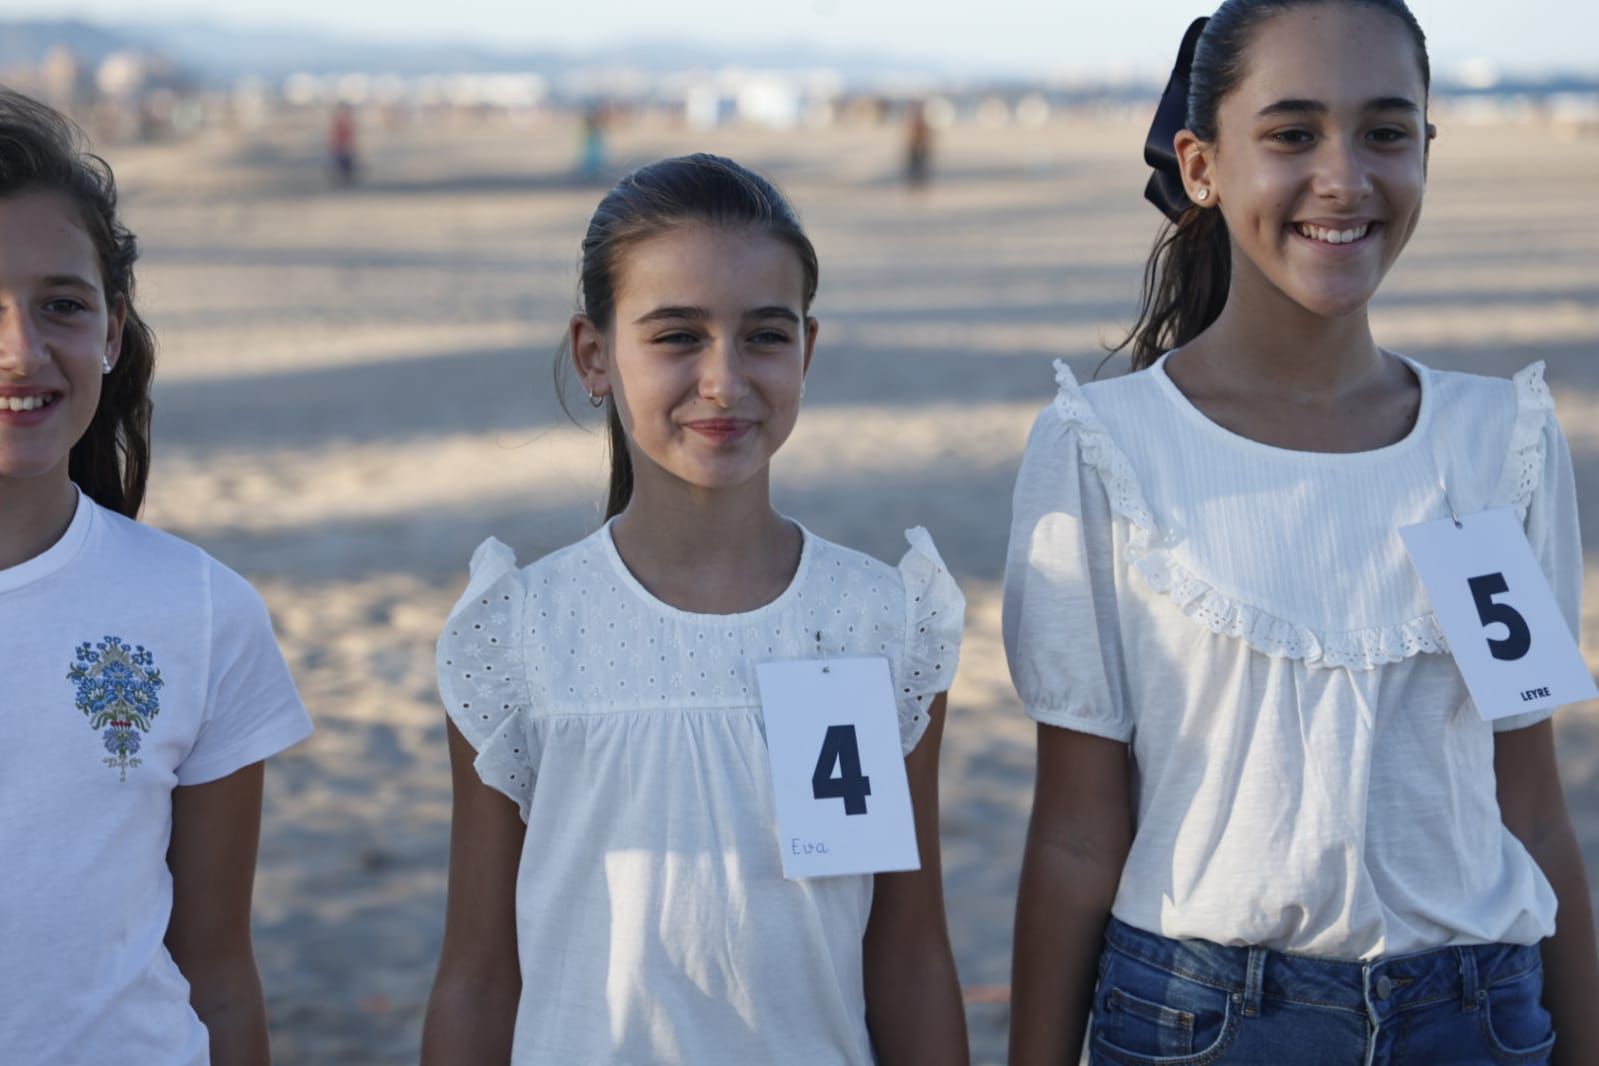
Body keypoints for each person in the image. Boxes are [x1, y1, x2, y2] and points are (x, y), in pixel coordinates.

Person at [1004, 3, 1599, 1064]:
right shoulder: (1104, 446)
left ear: (1426, 148)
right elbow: (1076, 830)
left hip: (1482, 1017)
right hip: (1200, 1018)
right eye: (1291, 134)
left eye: (1385, 131)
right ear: (1201, 164)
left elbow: (1534, 806)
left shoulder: (1502, 440)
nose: (1343, 178)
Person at [422, 153, 969, 1064]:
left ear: (807, 348)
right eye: (677, 336)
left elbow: (906, 956)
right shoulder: (515, 632)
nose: (723, 380)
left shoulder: (876, 622)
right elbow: (479, 974)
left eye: (763, 335)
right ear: (594, 355)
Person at [0, 90, 313, 1064]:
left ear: (113, 328)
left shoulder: (199, 610)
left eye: (62, 304)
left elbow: (218, 973)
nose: (23, 348)